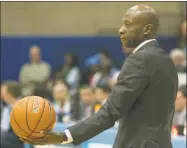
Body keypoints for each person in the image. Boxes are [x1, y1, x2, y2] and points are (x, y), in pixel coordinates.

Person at [21, 4, 178, 148]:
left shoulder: (140, 59)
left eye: (128, 24)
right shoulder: (166, 60)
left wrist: (62, 136)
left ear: (147, 30)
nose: (121, 29)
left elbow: (110, 112)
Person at [1, 81, 23, 148]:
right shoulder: (6, 107)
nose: (1, 93)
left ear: (10, 93)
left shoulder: (23, 107)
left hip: (16, 141)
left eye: (3, 91)